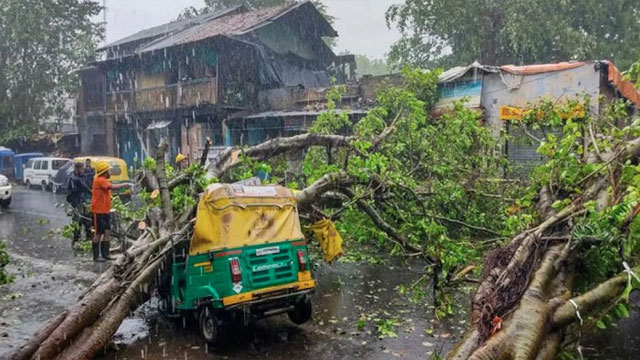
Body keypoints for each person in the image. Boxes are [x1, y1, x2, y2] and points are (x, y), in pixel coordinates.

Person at [90, 161, 132, 262]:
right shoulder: (100, 180)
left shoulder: (103, 180)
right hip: (98, 211)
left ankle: (105, 254)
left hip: (105, 211)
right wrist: (125, 184)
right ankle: (96, 256)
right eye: (108, 171)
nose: (110, 173)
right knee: (98, 233)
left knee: (107, 231)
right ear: (105, 172)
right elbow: (112, 186)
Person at [66, 162, 92, 243]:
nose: (83, 170)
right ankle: (76, 239)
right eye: (81, 168)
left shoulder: (81, 177)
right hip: (77, 202)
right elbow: (84, 188)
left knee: (86, 219)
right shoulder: (74, 178)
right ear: (77, 169)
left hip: (82, 201)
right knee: (78, 221)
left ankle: (88, 236)